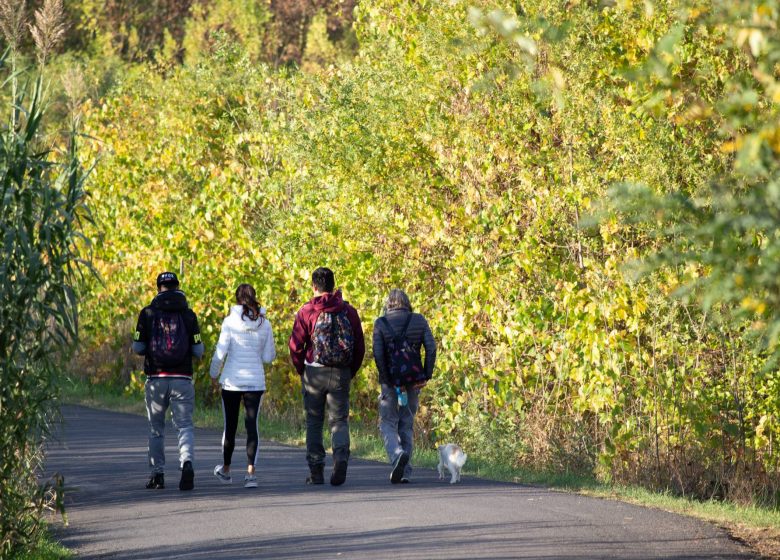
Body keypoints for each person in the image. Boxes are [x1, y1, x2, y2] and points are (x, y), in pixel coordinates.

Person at [289, 267, 365, 486]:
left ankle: (316, 471)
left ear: (314, 286)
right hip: (340, 372)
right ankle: (340, 457)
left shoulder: (307, 311)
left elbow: (295, 346)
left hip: (313, 371)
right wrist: (350, 371)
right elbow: (359, 346)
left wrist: (301, 369)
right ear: (333, 284)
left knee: (314, 422)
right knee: (339, 420)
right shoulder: (348, 311)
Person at [132, 271, 204, 491]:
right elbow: (199, 350)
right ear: (177, 287)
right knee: (184, 426)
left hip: (156, 379)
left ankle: (157, 475)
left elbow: (137, 347)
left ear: (158, 288)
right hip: (182, 378)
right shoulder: (189, 315)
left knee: (156, 429)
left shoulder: (147, 314)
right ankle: (187, 463)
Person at [209, 283, 276, 489]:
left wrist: (214, 372)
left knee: (230, 426)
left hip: (231, 381)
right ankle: (251, 475)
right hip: (255, 382)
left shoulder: (229, 322)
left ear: (237, 299)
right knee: (252, 427)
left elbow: (221, 351)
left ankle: (227, 470)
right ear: (254, 297)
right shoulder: (265, 323)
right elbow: (268, 357)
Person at [373, 289, 436, 483]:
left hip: (390, 382)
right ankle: (405, 472)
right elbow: (431, 347)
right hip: (412, 379)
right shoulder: (418, 320)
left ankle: (396, 454)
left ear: (388, 304)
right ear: (407, 303)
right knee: (406, 423)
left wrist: (387, 380)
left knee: (388, 422)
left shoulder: (381, 323)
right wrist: (426, 374)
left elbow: (378, 354)